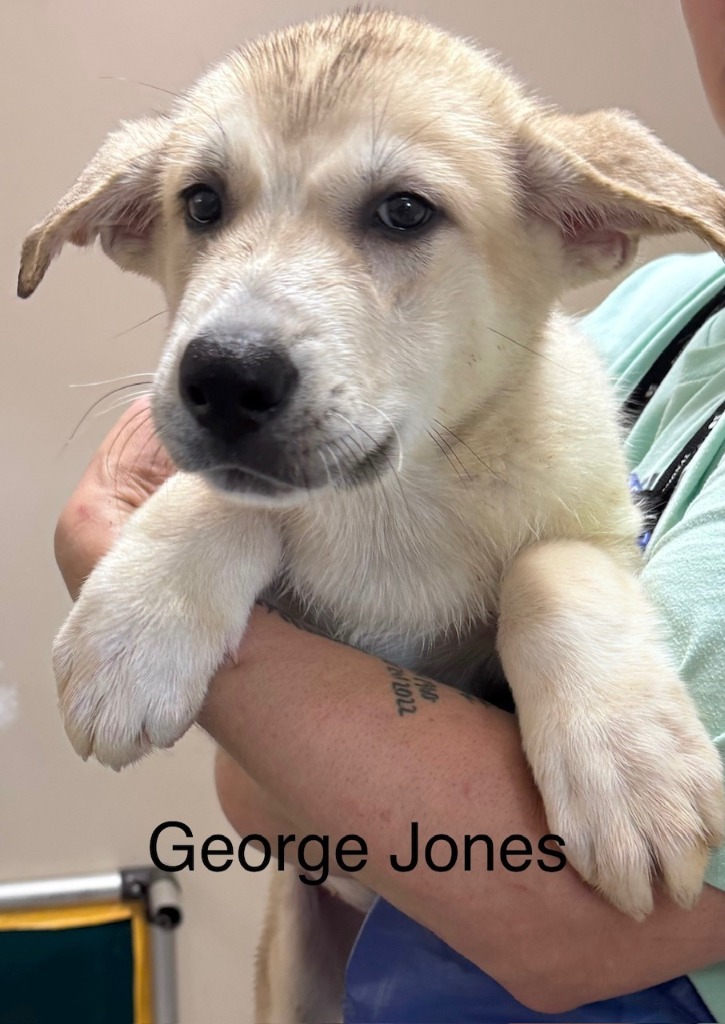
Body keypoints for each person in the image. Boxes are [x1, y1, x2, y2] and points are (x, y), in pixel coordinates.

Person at [53, 1, 725, 1020]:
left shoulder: (566, 406)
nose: (238, 329)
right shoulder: (662, 312)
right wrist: (204, 526)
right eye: (205, 203)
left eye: (399, 213)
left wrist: (558, 615)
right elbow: (254, 801)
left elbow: (574, 926)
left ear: (573, 225)